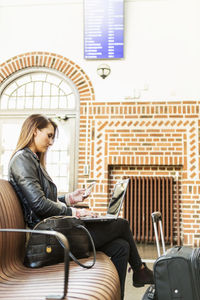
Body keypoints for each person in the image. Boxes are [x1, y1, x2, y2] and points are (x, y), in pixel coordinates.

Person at [8, 114, 154, 299]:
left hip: (55, 232)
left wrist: (70, 199)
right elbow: (39, 204)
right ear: (35, 130)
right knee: (121, 224)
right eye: (49, 135)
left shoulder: (32, 160)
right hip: (49, 239)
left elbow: (45, 199)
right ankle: (140, 270)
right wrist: (74, 212)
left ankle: (127, 287)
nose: (51, 142)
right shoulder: (23, 159)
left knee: (121, 246)